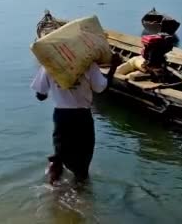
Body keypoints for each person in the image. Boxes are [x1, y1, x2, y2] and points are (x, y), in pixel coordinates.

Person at [31, 53, 120, 184]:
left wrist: (58, 89)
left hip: (61, 117)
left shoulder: (49, 65)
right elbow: (102, 88)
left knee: (59, 156)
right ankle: (81, 196)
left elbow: (40, 96)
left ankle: (53, 191)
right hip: (82, 117)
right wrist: (114, 67)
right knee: (82, 164)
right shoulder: (88, 64)